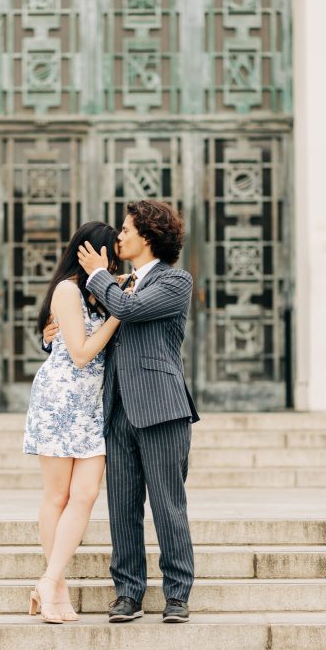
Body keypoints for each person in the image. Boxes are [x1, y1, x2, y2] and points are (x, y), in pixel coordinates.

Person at [77, 200, 199, 624]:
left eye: (126, 230)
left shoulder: (175, 282)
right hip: (116, 411)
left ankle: (177, 594)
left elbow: (128, 310)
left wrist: (97, 276)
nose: (119, 237)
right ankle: (127, 593)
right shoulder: (117, 283)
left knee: (168, 504)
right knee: (122, 507)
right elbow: (87, 329)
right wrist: (51, 335)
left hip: (162, 408)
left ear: (147, 236)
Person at [23, 221, 121, 624]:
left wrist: (115, 303)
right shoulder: (67, 289)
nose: (114, 260)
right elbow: (80, 353)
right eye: (109, 252)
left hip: (90, 405)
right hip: (60, 399)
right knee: (57, 496)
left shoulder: (103, 292)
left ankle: (47, 580)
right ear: (90, 252)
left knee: (85, 495)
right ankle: (56, 587)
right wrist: (118, 315)